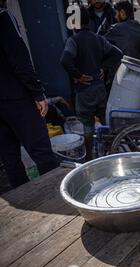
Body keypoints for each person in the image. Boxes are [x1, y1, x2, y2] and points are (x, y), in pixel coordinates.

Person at [0, 1, 58, 188]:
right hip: (16, 97)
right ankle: (53, 195)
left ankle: (23, 197)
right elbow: (19, 59)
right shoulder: (3, 17)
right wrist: (37, 93)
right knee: (42, 153)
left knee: (10, 158)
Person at [60, 6, 123, 161]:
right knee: (105, 122)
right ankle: (113, 153)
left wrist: (78, 75)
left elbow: (65, 60)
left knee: (88, 127)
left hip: (84, 92)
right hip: (100, 89)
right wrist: (104, 67)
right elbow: (117, 54)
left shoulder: (73, 41)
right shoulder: (98, 38)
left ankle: (89, 158)